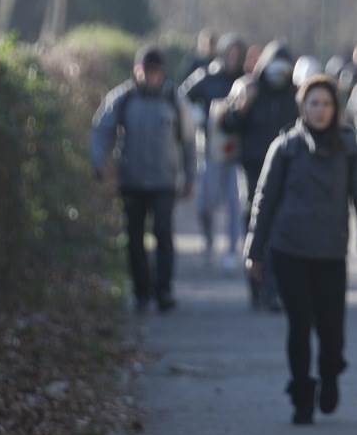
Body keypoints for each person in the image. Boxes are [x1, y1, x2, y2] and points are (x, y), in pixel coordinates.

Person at [243, 75, 357, 424]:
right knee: (299, 325)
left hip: (331, 252)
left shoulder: (348, 148)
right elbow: (264, 201)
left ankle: (330, 374)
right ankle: (302, 395)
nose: (319, 111)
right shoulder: (285, 147)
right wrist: (255, 250)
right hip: (290, 250)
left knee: (331, 330)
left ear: (336, 109)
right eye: (313, 103)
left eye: (326, 104)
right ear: (303, 107)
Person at [89, 47, 196, 313]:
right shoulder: (122, 98)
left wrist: (190, 176)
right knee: (134, 239)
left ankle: (164, 290)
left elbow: (189, 141)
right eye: (145, 71)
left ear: (162, 72)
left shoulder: (174, 99)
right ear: (137, 70)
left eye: (155, 72)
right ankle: (141, 292)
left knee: (163, 235)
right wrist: (99, 162)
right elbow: (102, 129)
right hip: (132, 181)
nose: (150, 76)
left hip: (164, 182)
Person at [219, 40, 298, 310]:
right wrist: (241, 107)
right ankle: (256, 288)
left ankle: (275, 289)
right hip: (254, 170)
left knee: (281, 231)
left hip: (288, 171)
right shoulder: (251, 90)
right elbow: (228, 124)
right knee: (255, 229)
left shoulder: (295, 95)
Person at [179, 34, 248, 268]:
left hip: (238, 150)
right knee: (206, 202)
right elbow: (182, 97)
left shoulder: (246, 80)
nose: (233, 58)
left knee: (234, 202)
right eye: (230, 53)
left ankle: (231, 250)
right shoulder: (207, 77)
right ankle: (208, 239)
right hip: (211, 149)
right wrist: (196, 114)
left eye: (238, 54)